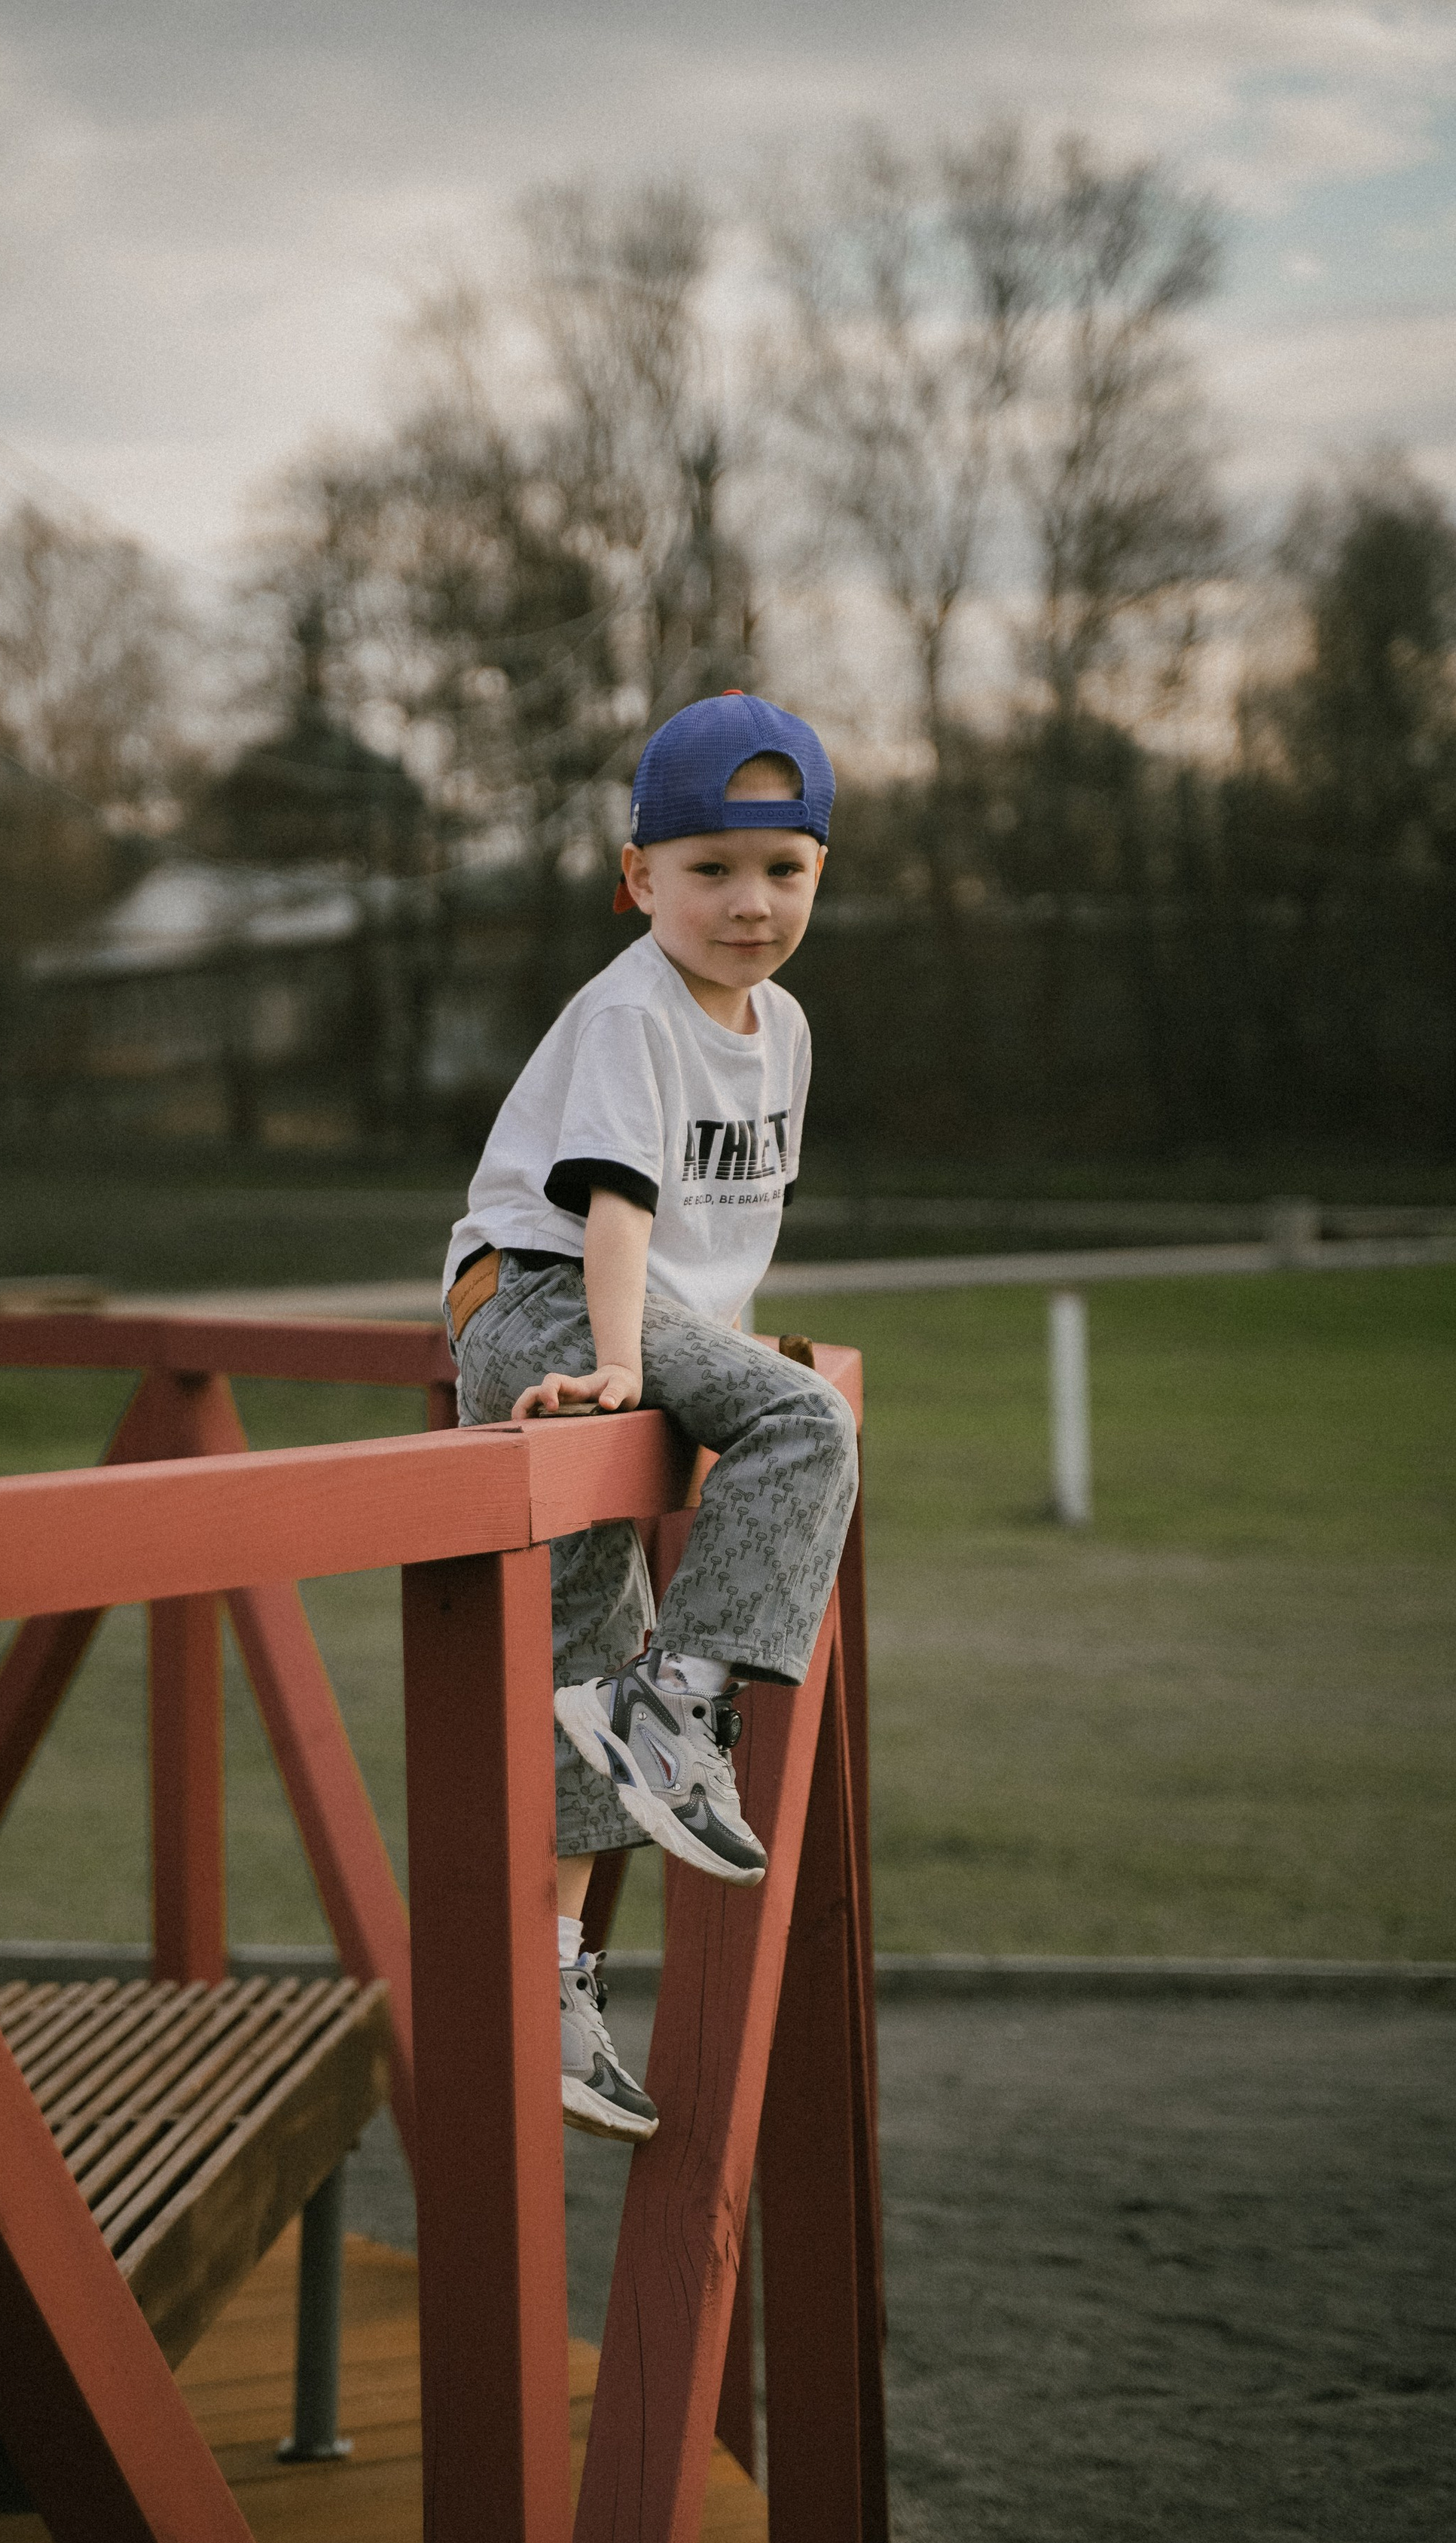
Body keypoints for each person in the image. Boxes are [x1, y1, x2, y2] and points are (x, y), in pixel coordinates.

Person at [440, 690, 860, 2145]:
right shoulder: (631, 1008)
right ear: (640, 880)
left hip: (623, 1321)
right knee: (807, 1427)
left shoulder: (786, 1028)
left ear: (819, 871)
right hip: (547, 1295)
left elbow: (727, 1229)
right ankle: (682, 1704)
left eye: (783, 870)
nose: (750, 905)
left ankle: (547, 1988)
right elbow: (615, 1211)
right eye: (709, 870)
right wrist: (628, 1369)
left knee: (585, 1645)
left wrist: (698, 1352)